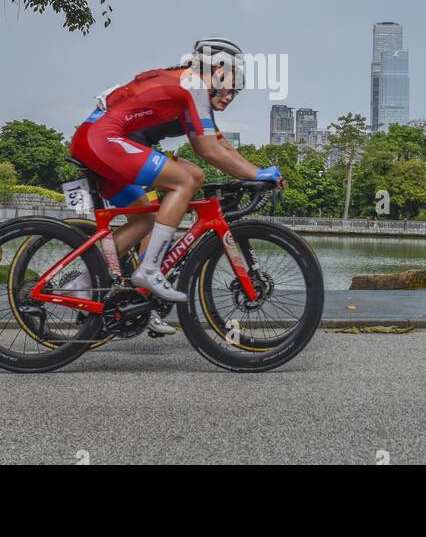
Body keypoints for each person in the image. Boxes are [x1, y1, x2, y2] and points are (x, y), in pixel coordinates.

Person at [68, 38, 281, 333]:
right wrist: (257, 173)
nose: (233, 95)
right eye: (232, 85)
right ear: (218, 69)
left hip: (97, 139)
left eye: (238, 91)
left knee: (145, 219)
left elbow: (219, 144)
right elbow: (209, 151)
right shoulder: (193, 84)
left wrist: (256, 173)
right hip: (104, 140)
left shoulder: (191, 91)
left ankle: (81, 284)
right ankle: (150, 270)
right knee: (189, 178)